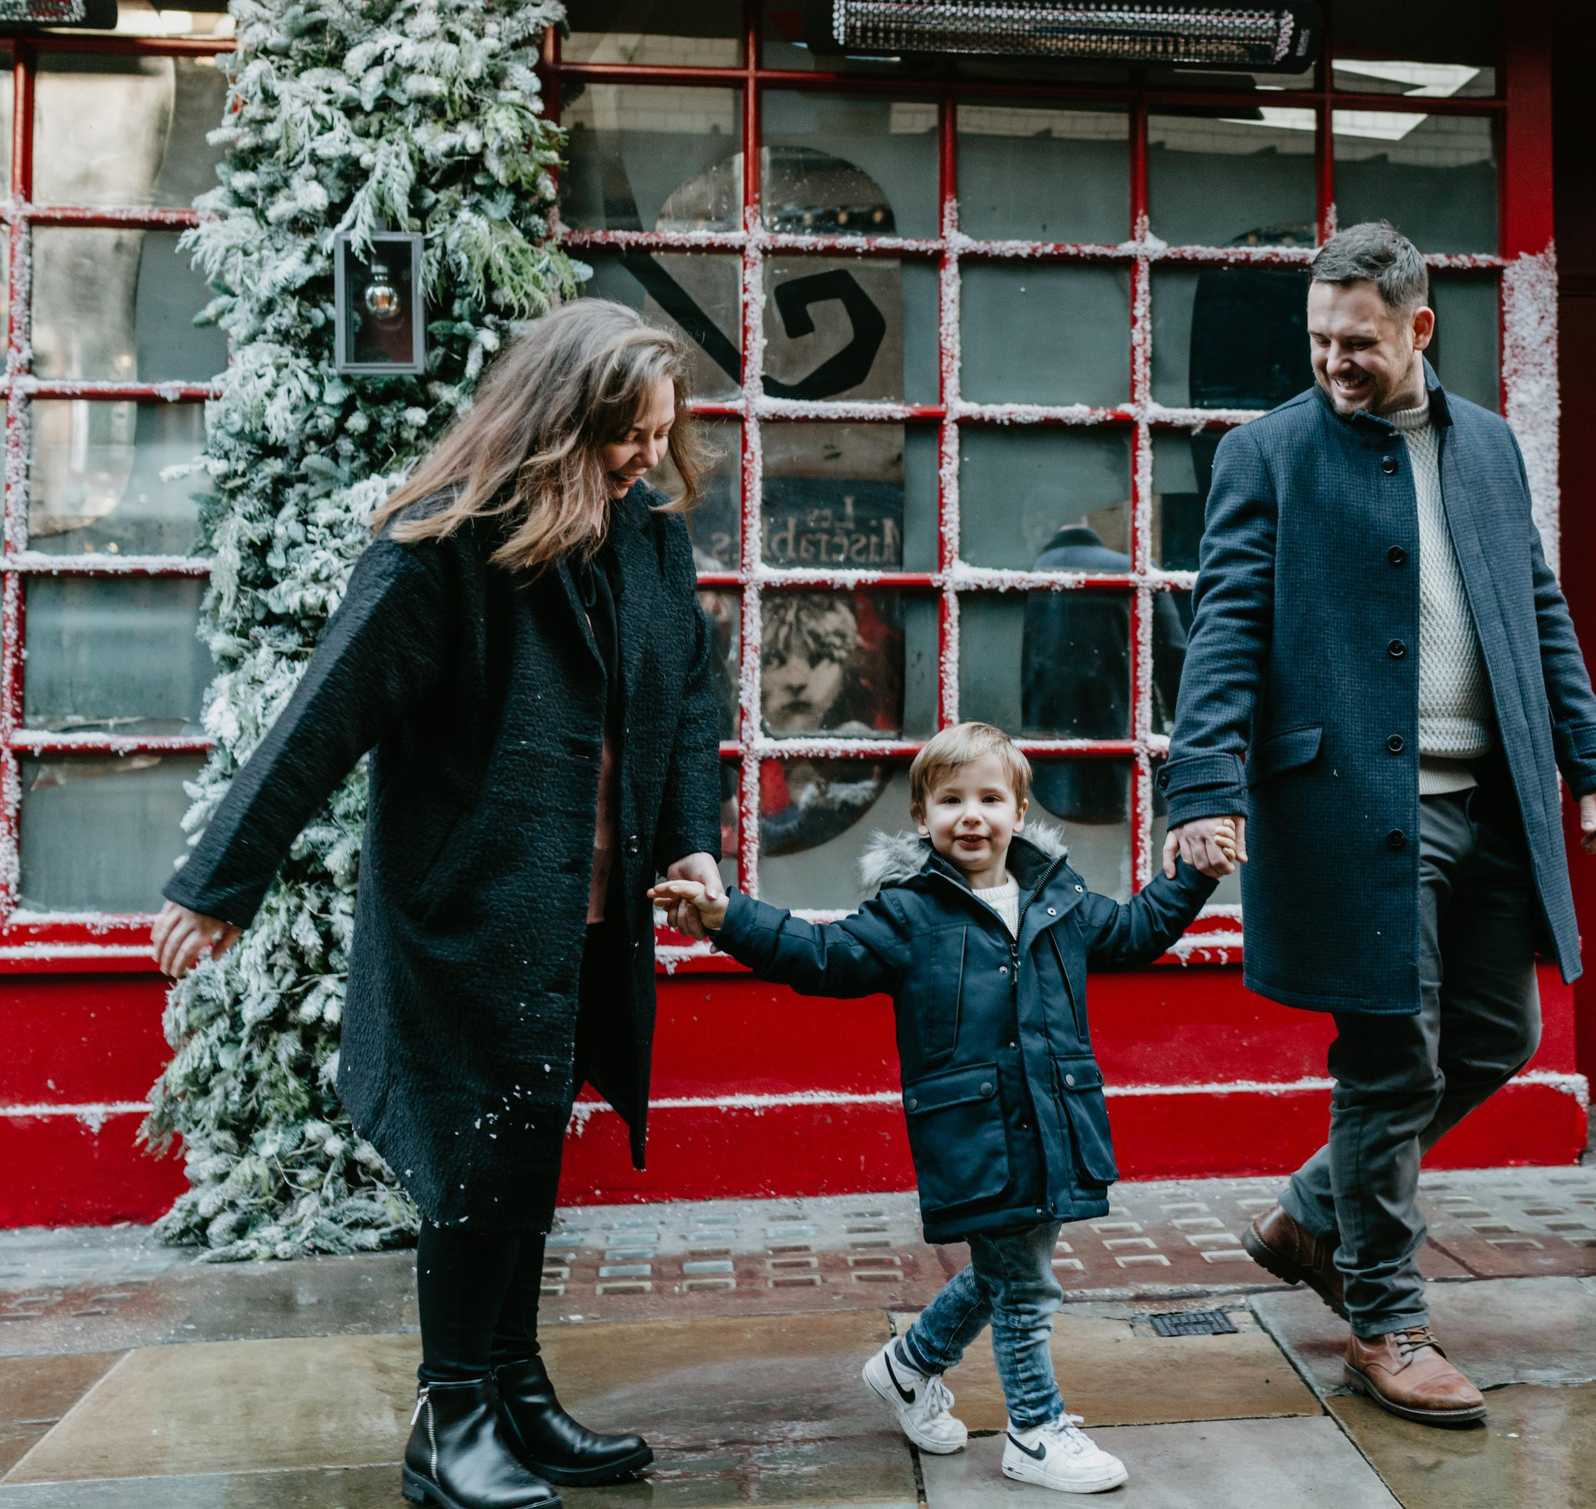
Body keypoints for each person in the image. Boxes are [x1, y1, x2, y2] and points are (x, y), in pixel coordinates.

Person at [150, 299, 728, 1509]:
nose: (643, 458)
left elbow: (686, 707)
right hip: (468, 913)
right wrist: (222, 884)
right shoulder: (443, 542)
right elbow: (324, 714)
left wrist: (690, 848)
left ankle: (512, 1387)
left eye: (659, 433)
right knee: (477, 1158)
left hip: (587, 916)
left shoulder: (648, 539)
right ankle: (449, 1417)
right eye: (625, 435)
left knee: (525, 1146)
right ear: (556, 421)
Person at [1162, 221, 1596, 1426]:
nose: (1334, 362)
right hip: (1353, 807)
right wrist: (1201, 787)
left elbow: (1535, 602)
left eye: (1358, 341)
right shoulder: (1264, 453)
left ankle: (1310, 1211)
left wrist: (1589, 751)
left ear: (1420, 328)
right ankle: (1384, 1316)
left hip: (1490, 798)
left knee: (1494, 1029)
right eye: (1319, 340)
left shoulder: (1488, 446)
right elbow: (1222, 631)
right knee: (1387, 1060)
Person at [650, 722, 1225, 1495]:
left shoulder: (1061, 899)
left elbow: (1138, 931)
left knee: (1002, 1273)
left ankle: (908, 1367)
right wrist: (729, 920)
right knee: (1023, 1286)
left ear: (1020, 812)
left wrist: (1190, 874)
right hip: (976, 1135)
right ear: (922, 817)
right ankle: (1035, 1430)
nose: (972, 816)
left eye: (990, 798)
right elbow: (818, 957)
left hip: (1055, 1126)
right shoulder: (909, 917)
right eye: (951, 800)